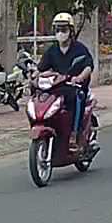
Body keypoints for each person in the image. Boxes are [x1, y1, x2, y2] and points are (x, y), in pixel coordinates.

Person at [37, 12, 95, 150]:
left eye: (64, 29)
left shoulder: (79, 49)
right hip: (57, 87)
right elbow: (41, 68)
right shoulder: (52, 50)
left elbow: (88, 66)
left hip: (74, 87)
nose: (60, 33)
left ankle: (74, 133)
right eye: (58, 29)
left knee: (78, 97)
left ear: (71, 31)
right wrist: (34, 76)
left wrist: (80, 77)